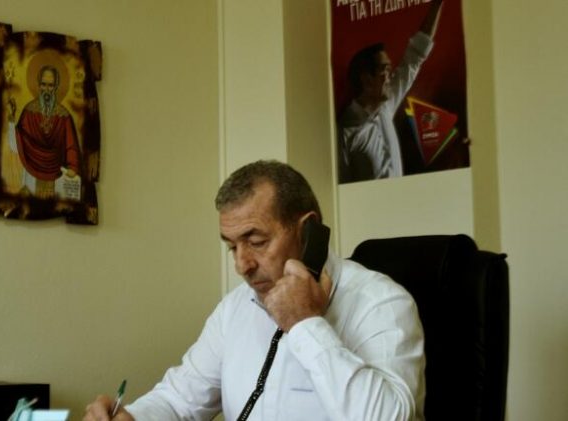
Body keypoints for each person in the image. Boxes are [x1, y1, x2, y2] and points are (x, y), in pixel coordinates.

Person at [84, 160, 425, 420]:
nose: (242, 265)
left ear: (309, 231)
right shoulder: (235, 308)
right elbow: (178, 400)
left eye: (257, 241)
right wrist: (133, 417)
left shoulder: (381, 302)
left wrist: (306, 324)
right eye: (232, 247)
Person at [339, 0, 443, 183]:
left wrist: (436, 5)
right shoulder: (344, 133)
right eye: (385, 70)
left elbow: (415, 57)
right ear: (366, 79)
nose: (390, 75)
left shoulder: (385, 106)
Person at [15, 65, 82, 198]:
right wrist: (11, 121)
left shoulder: (64, 115)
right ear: (39, 86)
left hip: (57, 173)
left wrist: (73, 167)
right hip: (31, 170)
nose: (46, 89)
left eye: (50, 85)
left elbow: (71, 145)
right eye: (43, 84)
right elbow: (18, 139)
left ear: (56, 87)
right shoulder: (28, 111)